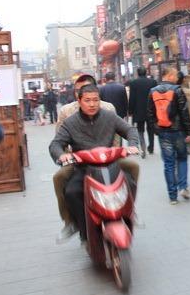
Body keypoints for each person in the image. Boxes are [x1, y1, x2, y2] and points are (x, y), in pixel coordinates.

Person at [49, 84, 140, 241]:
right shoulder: (70, 123)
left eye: (95, 100)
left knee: (131, 176)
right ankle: (77, 227)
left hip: (110, 163)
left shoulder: (109, 116)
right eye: (87, 100)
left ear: (100, 100)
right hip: (84, 167)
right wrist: (62, 155)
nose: (92, 104)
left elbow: (130, 130)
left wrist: (132, 145)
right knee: (72, 192)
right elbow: (56, 144)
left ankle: (129, 210)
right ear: (79, 101)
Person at [148, 67, 190, 204]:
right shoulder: (177, 90)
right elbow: (184, 112)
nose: (176, 77)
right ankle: (183, 187)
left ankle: (172, 196)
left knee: (168, 164)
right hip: (178, 131)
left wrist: (156, 129)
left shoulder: (152, 91)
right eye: (174, 75)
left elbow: (150, 113)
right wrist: (189, 132)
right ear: (168, 75)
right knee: (182, 158)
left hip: (163, 132)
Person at [128, 67, 157, 158]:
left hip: (138, 110)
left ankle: (143, 147)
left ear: (137, 73)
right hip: (151, 109)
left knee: (140, 130)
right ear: (146, 72)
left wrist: (130, 111)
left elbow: (132, 98)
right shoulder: (153, 82)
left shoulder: (133, 83)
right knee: (150, 129)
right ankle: (151, 147)